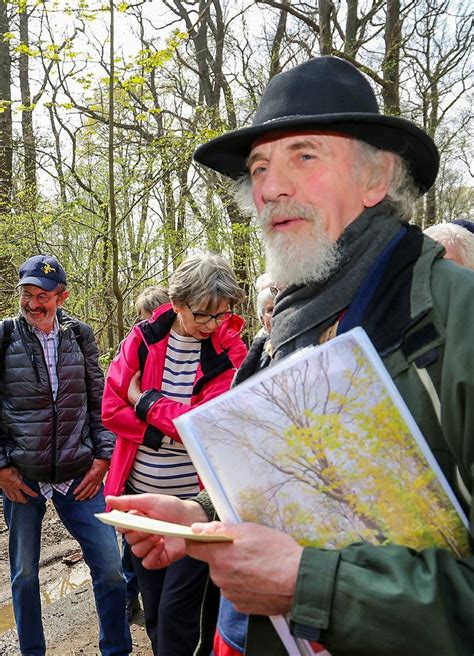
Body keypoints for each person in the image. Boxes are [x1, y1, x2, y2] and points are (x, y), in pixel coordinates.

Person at [107, 56, 474, 656]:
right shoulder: (295, 325)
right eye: (259, 166)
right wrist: (201, 517)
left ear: (376, 176)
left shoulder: (456, 320)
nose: (269, 187)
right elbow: (303, 489)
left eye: (304, 155)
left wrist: (309, 585)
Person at [102, 253, 247, 656]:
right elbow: (111, 409)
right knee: (154, 614)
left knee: (178, 616)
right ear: (178, 303)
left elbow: (206, 428)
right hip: (141, 504)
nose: (212, 325)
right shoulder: (143, 339)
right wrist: (166, 430)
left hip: (196, 506)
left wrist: (145, 401)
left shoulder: (231, 352)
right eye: (203, 315)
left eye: (221, 316)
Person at [0, 254, 131, 656]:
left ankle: (116, 650)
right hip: (23, 476)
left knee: (110, 569)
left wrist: (102, 458)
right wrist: (1, 467)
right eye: (26, 294)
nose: (33, 304)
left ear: (62, 296)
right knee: (24, 577)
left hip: (80, 473)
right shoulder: (4, 336)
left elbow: (100, 402)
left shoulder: (81, 336)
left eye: (42, 295)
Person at [122, 284, 171, 622]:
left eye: (147, 321)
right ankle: (131, 599)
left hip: (180, 494)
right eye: (140, 323)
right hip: (136, 480)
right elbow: (114, 409)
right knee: (133, 552)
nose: (143, 329)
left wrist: (145, 406)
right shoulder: (134, 351)